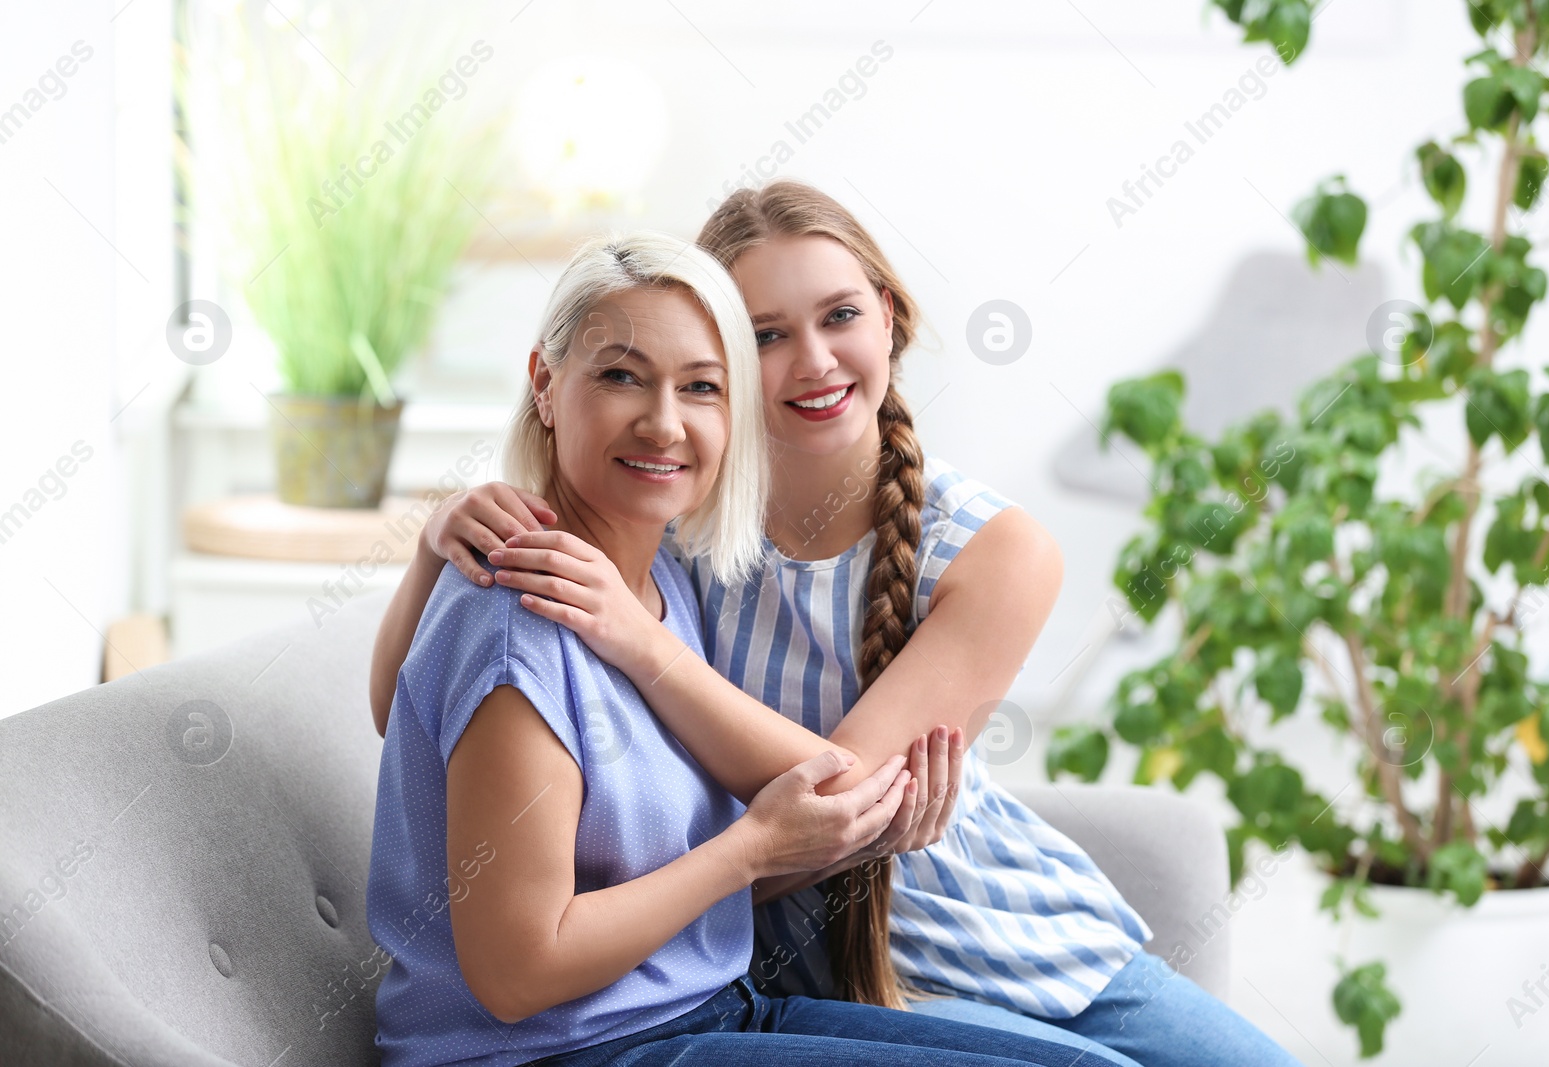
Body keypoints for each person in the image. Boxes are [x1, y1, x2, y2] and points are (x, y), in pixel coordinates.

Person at [371, 185, 1302, 1067]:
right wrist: (432, 546)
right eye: (767, 335)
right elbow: (422, 709)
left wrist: (645, 646)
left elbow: (846, 797)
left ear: (889, 315)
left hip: (971, 921)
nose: (812, 360)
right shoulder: (659, 544)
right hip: (719, 977)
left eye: (840, 315)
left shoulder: (665, 572)